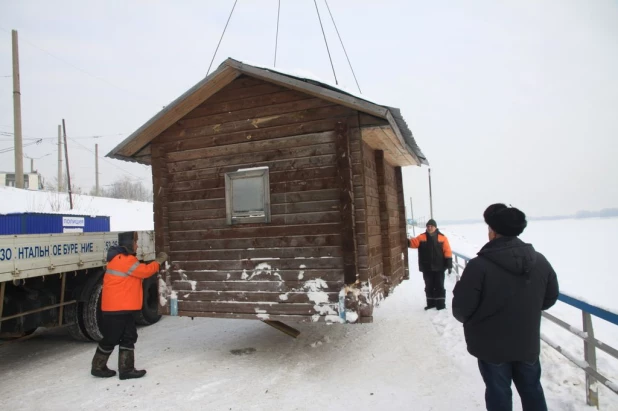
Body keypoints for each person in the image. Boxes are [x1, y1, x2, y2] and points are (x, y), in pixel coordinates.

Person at [452, 204, 559, 411]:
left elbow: (461, 311)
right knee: (532, 391)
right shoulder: (540, 261)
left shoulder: (478, 266)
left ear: (492, 231)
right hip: (526, 343)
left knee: (498, 393)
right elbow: (550, 297)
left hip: (491, 347)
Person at [91, 231, 168, 380]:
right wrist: (158, 261)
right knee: (111, 338)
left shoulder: (117, 259)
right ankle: (98, 366)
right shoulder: (124, 260)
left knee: (129, 336)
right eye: (135, 242)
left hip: (121, 307)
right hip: (117, 308)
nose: (137, 245)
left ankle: (126, 370)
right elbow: (145, 272)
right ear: (128, 245)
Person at [408, 219, 453, 310]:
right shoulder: (421, 237)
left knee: (439, 286)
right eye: (428, 226)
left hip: (439, 267)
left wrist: (449, 264)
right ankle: (431, 303)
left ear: (435, 227)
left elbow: (447, 251)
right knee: (429, 286)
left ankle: (440, 305)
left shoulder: (442, 238)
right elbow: (413, 243)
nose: (429, 227)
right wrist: (404, 240)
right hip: (426, 267)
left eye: (431, 226)